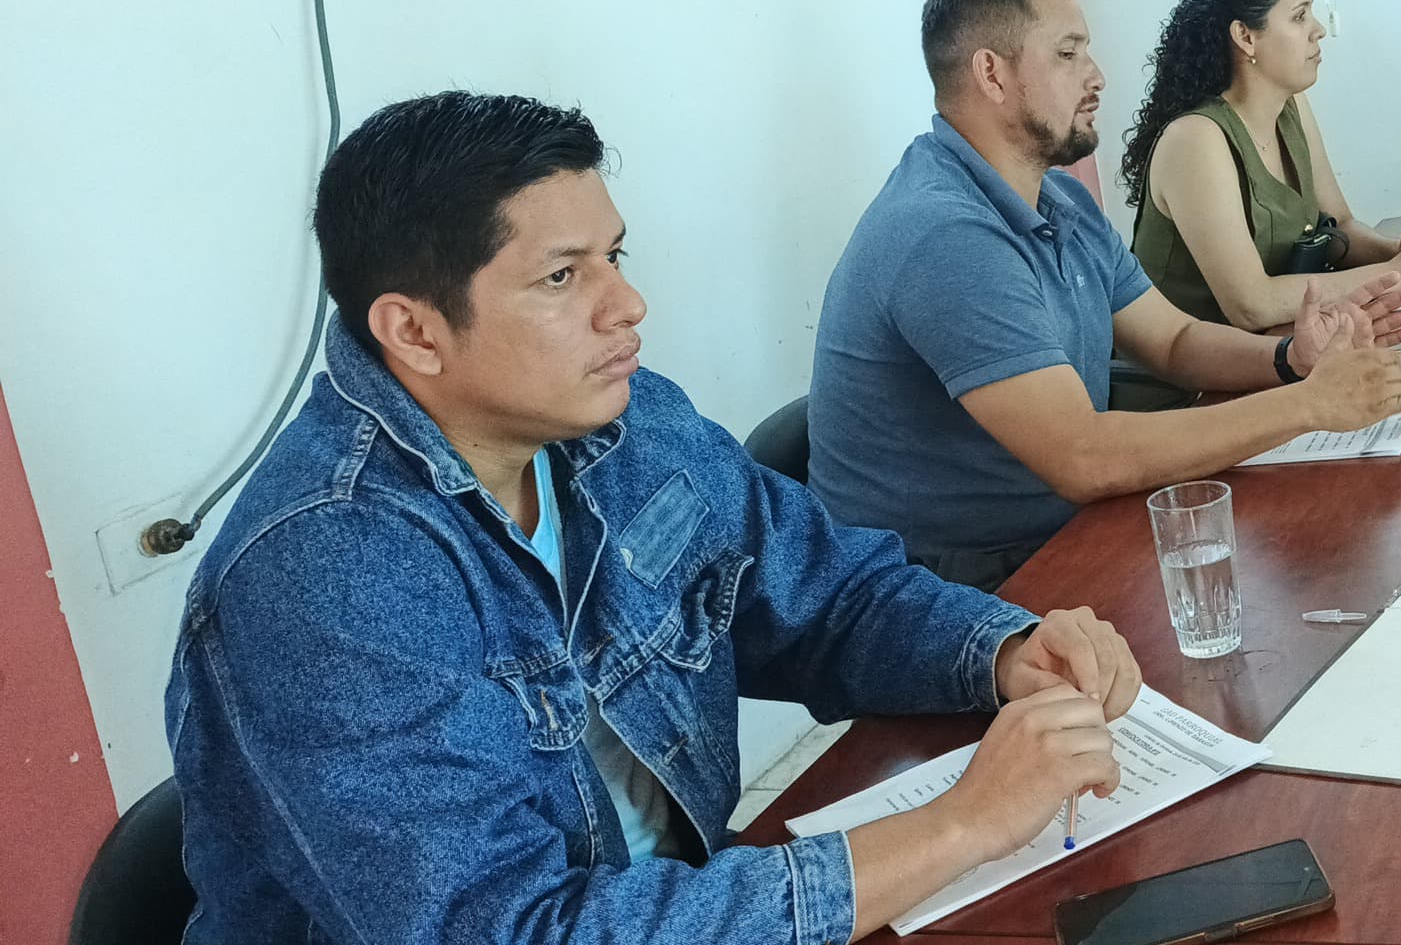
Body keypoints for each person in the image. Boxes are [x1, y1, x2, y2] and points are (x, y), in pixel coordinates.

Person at [166, 91, 1147, 944]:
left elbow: (827, 596)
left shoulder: (626, 426)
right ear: (415, 331)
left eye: (614, 256)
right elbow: (508, 929)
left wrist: (1001, 650)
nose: (627, 303)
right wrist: (960, 825)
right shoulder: (325, 577)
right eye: (562, 277)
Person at [810, 0, 1401, 590]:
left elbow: (1173, 341)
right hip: (945, 590)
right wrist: (1310, 403)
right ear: (992, 74)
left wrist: (1291, 360)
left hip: (1060, 533)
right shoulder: (946, 235)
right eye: (1068, 54)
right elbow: (1083, 457)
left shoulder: (1059, 199)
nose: (1097, 76)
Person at [1123, 0, 1401, 329]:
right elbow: (1252, 304)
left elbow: (1339, 228)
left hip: (1282, 347)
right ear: (1245, 36)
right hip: (1202, 368)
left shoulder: (1291, 106)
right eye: (1300, 16)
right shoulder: (1194, 140)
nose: (1318, 30)